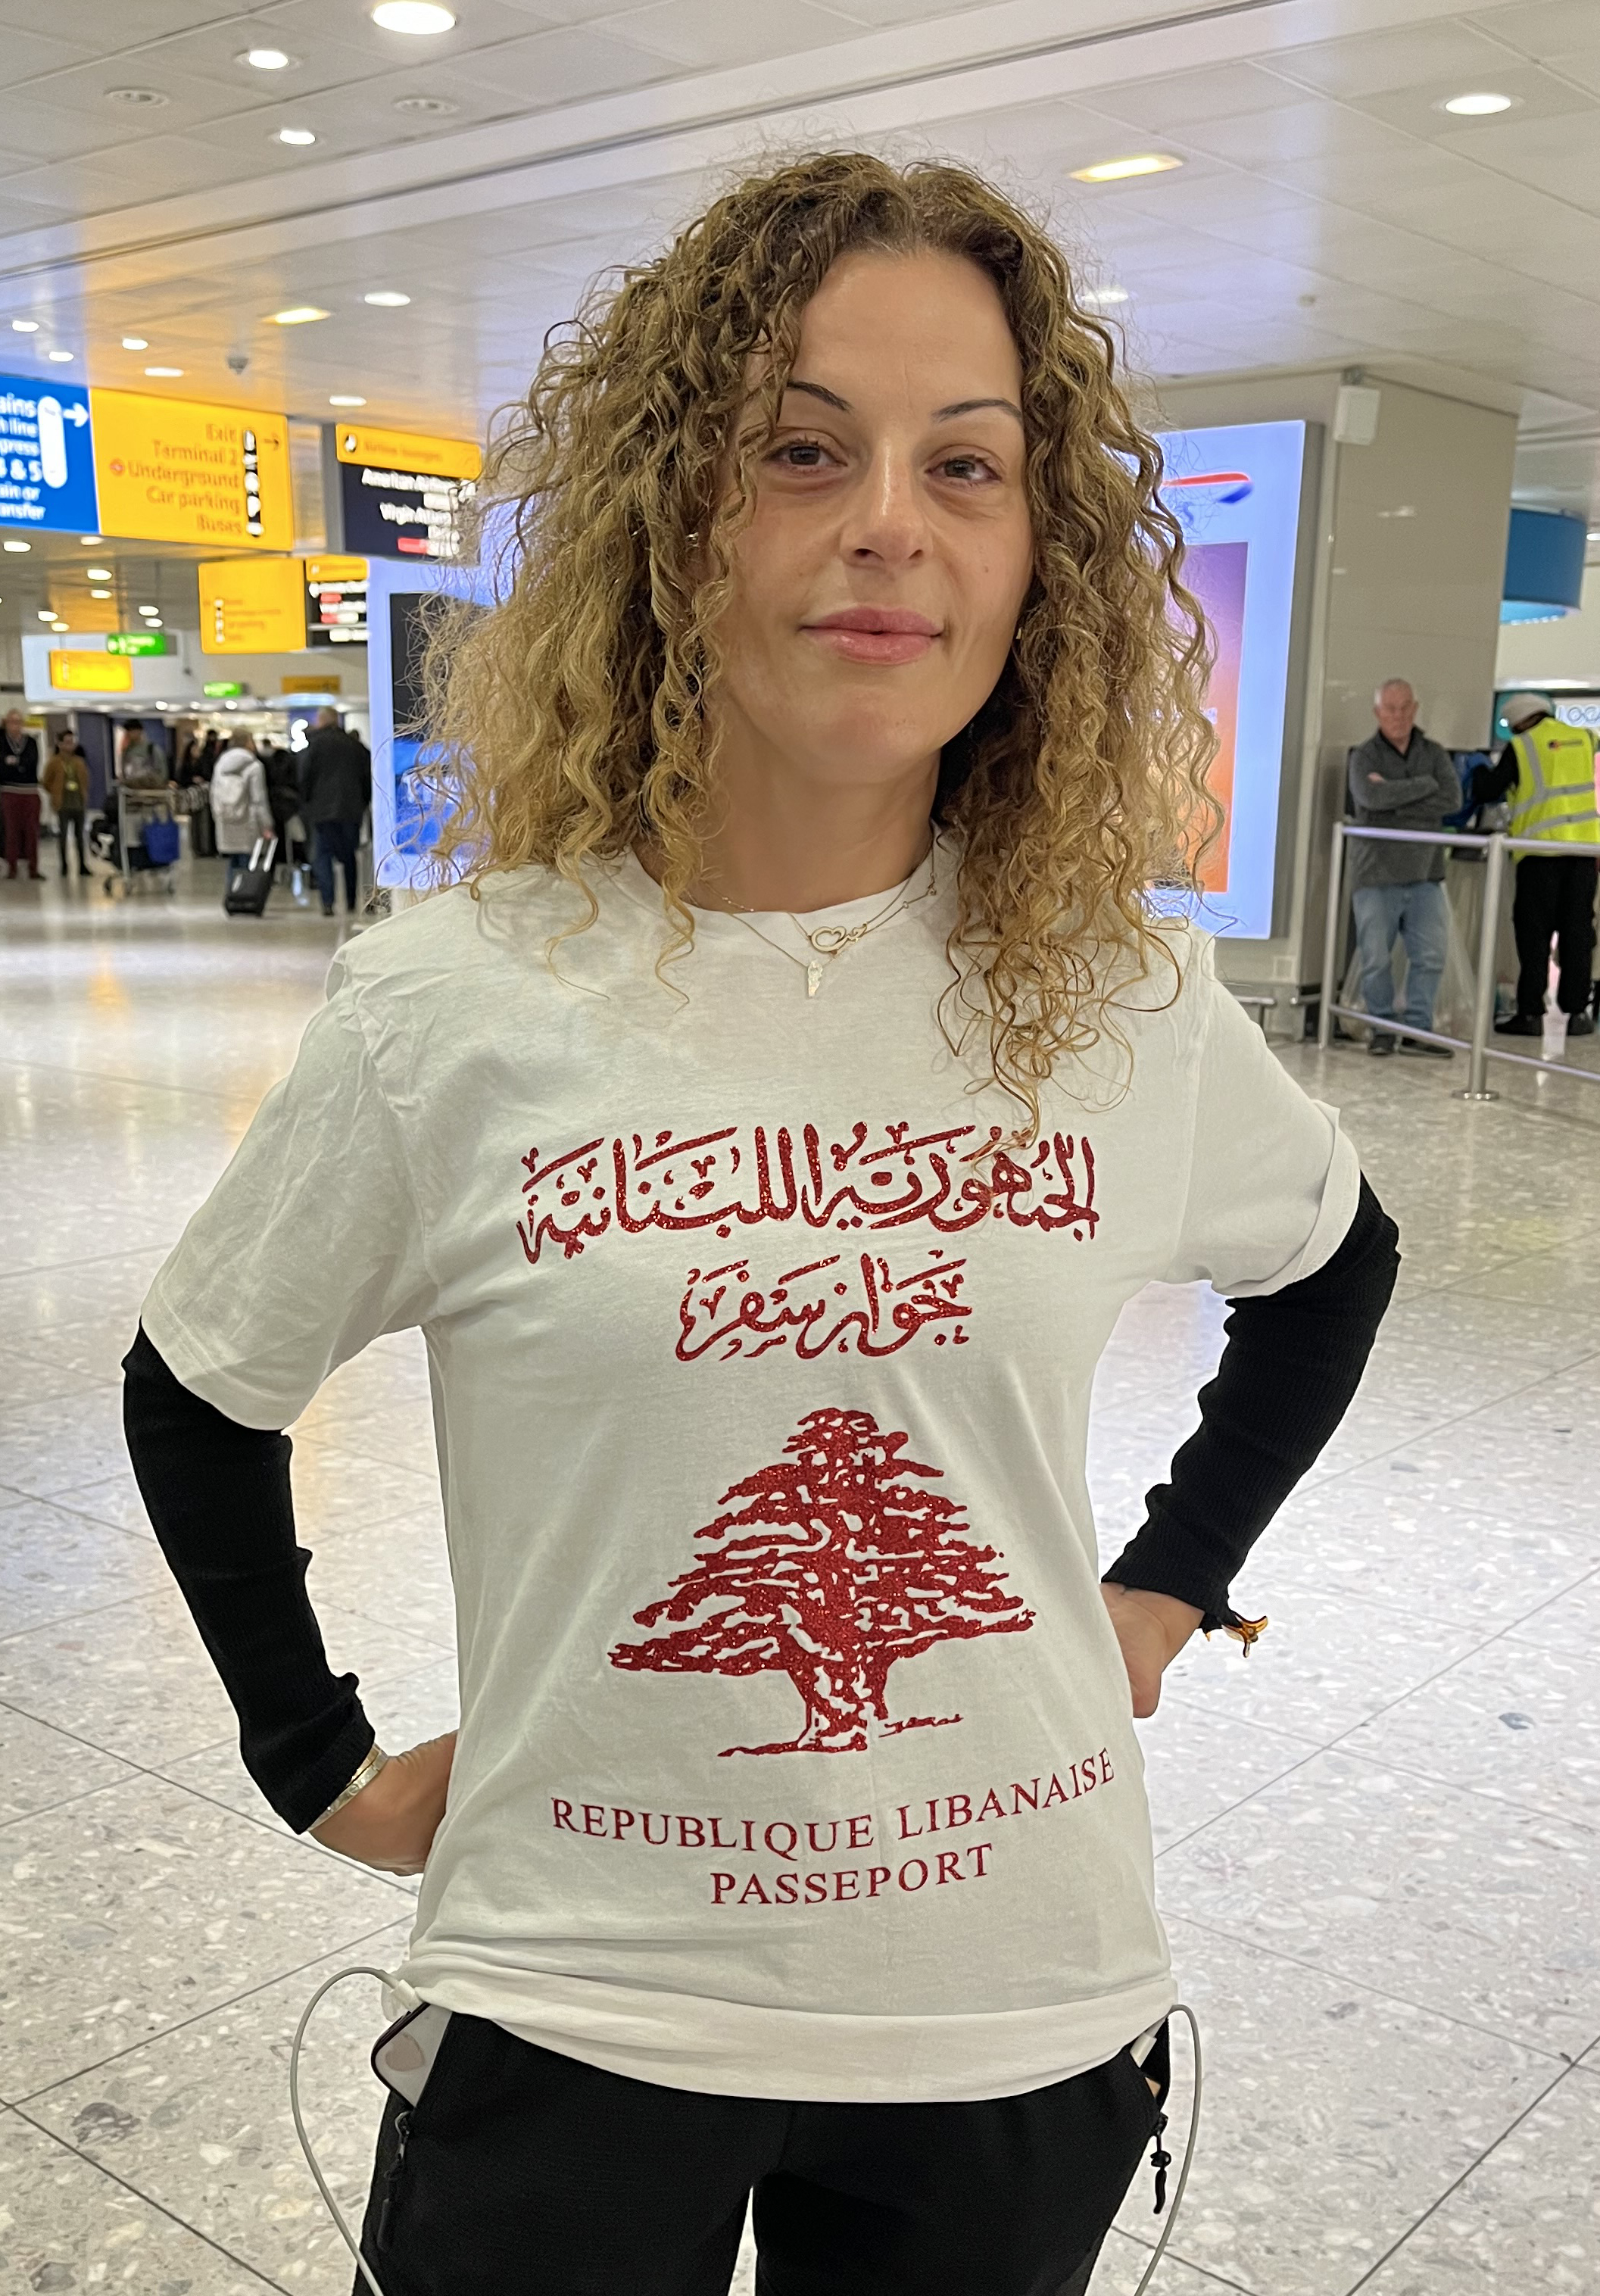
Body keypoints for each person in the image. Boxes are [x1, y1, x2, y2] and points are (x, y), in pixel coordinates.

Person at [122, 155, 1399, 2296]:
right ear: (669, 520)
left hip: (1013, 1992)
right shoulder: (461, 1005)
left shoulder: (1119, 1002)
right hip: (581, 1993)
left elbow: (1331, 1267)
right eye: (802, 449)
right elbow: (200, 1385)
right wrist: (316, 1762)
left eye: (964, 464)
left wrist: (1169, 1586)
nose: (887, 518)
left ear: (1037, 559)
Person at [1345, 679, 1460, 1056]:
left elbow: (1452, 800)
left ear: (1415, 708)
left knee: (1430, 956)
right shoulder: (1364, 757)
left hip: (1427, 872)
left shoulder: (1434, 753)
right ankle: (1381, 1029)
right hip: (1375, 874)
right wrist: (1423, 787)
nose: (1398, 715)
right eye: (1390, 709)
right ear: (1378, 713)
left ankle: (1418, 1030)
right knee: (1375, 958)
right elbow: (1369, 797)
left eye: (1405, 707)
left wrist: (1393, 799)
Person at [1472, 691, 1598, 1035]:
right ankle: (1578, 1014)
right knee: (1578, 933)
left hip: (1540, 853)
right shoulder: (1586, 738)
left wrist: (1478, 770)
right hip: (1585, 853)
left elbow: (1489, 789)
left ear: (1519, 722)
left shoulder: (1523, 746)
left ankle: (1530, 1015)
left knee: (1534, 936)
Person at [299, 706, 371, 916]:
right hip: (351, 809)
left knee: (323, 855)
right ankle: (350, 900)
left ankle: (328, 902)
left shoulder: (314, 747)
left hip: (322, 811)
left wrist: (307, 804)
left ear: (321, 721)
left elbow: (304, 778)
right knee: (349, 855)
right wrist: (363, 803)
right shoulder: (355, 747)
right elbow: (367, 778)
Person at [209, 732, 272, 888]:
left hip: (226, 819)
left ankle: (233, 894)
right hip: (248, 821)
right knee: (248, 862)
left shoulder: (220, 765)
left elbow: (213, 793)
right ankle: (246, 896)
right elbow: (258, 798)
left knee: (233, 861)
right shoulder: (254, 766)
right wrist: (267, 824)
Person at [42, 725, 90, 878]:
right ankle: (64, 865)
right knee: (63, 836)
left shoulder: (79, 762)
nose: (70, 745)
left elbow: (85, 780)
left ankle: (82, 864)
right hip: (63, 803)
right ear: (60, 744)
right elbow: (45, 781)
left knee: (80, 836)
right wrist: (55, 792)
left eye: (72, 742)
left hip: (78, 802)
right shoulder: (54, 762)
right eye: (67, 742)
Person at [0, 707, 42, 878]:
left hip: (30, 791)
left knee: (32, 831)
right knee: (11, 831)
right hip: (9, 791)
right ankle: (12, 867)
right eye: (11, 722)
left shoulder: (30, 742)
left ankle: (33, 868)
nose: (15, 726)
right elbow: (2, 767)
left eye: (18, 722)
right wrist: (17, 765)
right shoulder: (2, 742)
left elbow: (32, 763)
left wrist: (14, 763)